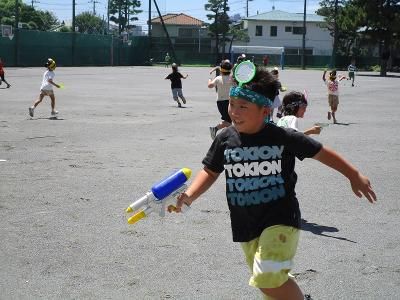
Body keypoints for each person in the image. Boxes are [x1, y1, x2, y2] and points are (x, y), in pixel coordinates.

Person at [174, 65, 376, 300]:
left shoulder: (281, 137)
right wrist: (189, 196)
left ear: (265, 111)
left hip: (280, 219)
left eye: (243, 107)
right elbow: (210, 171)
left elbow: (320, 152)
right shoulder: (225, 139)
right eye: (232, 104)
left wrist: (353, 175)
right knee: (270, 284)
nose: (234, 112)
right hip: (245, 223)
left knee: (267, 278)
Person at [207, 60, 233, 140]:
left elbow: (210, 86)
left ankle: (217, 130)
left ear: (221, 70)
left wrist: (209, 80)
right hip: (230, 101)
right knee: (229, 121)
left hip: (220, 102)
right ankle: (216, 129)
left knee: (229, 120)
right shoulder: (232, 78)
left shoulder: (218, 78)